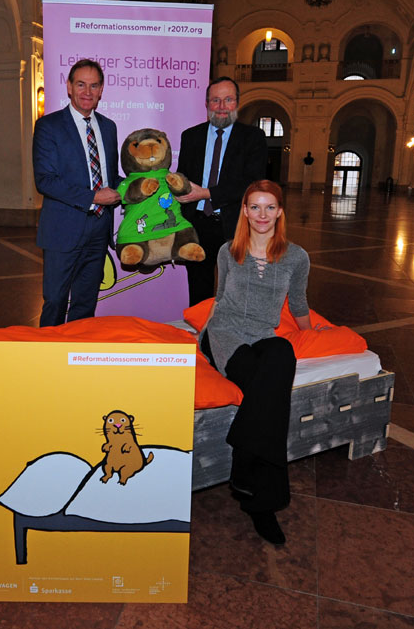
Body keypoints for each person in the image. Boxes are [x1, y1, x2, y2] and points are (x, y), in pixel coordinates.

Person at [198, 180, 327, 546]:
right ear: (244, 211)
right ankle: (262, 506)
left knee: (281, 355)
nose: (262, 215)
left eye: (270, 207)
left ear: (281, 211)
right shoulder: (228, 250)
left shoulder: (296, 257)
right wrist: (204, 338)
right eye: (254, 207)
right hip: (225, 335)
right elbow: (219, 299)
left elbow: (298, 304)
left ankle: (243, 459)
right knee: (267, 385)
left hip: (262, 333)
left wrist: (314, 331)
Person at [32, 59, 121, 327]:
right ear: (69, 87)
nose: (87, 92)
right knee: (56, 302)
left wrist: (137, 188)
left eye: (94, 86)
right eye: (81, 84)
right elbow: (45, 180)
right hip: (62, 230)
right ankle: (48, 362)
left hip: (98, 230)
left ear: (101, 90)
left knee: (85, 303)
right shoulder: (49, 126)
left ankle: (76, 361)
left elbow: (110, 178)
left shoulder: (108, 127)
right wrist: (93, 197)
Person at [176, 76, 267, 306]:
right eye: (215, 101)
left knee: (235, 293)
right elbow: (182, 176)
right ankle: (202, 336)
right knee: (198, 291)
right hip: (196, 225)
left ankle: (231, 339)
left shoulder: (253, 138)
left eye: (228, 100)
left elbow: (252, 183)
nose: (222, 107)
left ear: (237, 102)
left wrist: (207, 194)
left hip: (235, 227)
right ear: (207, 104)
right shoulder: (190, 136)